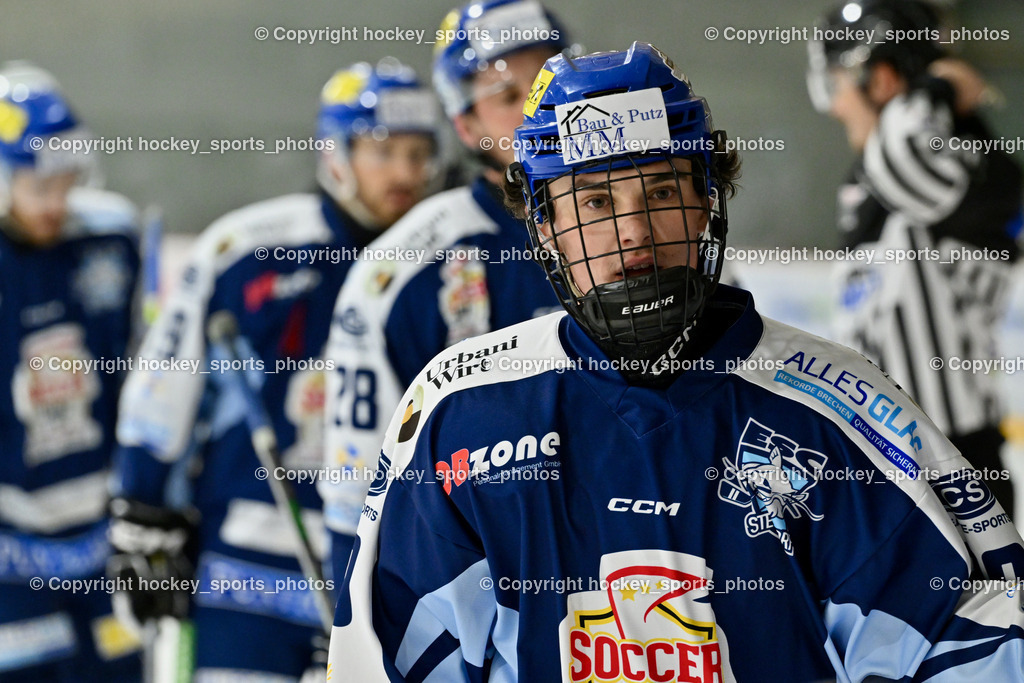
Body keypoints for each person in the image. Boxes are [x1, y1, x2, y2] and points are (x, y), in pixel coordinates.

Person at [328, 42, 1024, 681]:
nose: (632, 232)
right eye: (596, 201)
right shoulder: (460, 411)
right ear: (545, 226)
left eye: (659, 192)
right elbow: (393, 656)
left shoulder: (839, 406)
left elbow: (968, 643)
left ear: (704, 203)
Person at [110, 59, 440, 681]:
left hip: (383, 572)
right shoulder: (246, 249)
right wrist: (142, 510)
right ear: (335, 153)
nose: (404, 172)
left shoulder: (441, 261)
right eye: (385, 151)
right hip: (243, 577)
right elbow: (162, 387)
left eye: (419, 153)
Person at [321, 0, 576, 577]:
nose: (542, 111)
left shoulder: (657, 231)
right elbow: (356, 489)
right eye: (510, 98)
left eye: (549, 83)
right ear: (466, 126)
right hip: (469, 591)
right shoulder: (403, 267)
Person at [807, 0, 1022, 515]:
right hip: (893, 462)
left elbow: (903, 154)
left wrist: (933, 84)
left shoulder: (956, 166)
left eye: (839, 84)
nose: (836, 107)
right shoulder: (884, 183)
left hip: (953, 468)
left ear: (879, 80)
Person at [0, 61, 143, 682]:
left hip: (98, 544)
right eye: (40, 187)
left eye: (67, 182)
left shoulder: (110, 237)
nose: (58, 203)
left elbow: (140, 371)